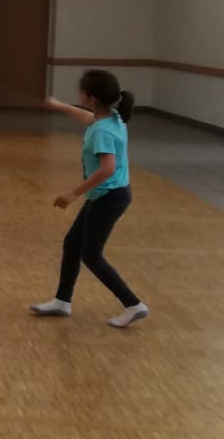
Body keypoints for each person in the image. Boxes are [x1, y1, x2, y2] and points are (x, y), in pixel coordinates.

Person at [32, 69, 150, 329]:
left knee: (91, 254)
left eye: (81, 91)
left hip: (110, 197)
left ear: (92, 97)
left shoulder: (102, 132)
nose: (79, 95)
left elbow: (107, 167)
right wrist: (59, 106)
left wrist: (73, 193)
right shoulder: (112, 118)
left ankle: (133, 304)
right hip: (108, 194)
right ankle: (63, 301)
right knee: (73, 243)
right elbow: (86, 117)